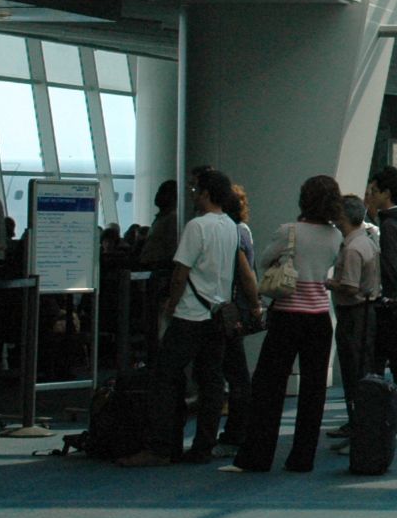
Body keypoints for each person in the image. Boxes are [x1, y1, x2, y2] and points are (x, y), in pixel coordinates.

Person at [122, 168, 261, 467]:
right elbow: (242, 272)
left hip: (190, 314)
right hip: (218, 315)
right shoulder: (231, 227)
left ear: (208, 193)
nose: (194, 194)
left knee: (165, 376)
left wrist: (171, 304)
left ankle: (161, 445)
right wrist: (255, 303)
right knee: (211, 381)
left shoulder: (196, 227)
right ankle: (203, 446)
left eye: (197, 190)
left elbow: (181, 272)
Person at [227, 175, 344, 473]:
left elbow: (264, 262)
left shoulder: (289, 231)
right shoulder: (335, 237)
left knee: (269, 387)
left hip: (288, 315)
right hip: (319, 318)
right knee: (314, 390)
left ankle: (257, 456)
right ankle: (302, 458)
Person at [365, 167, 397, 431]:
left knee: (377, 360)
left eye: (373, 191)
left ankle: (377, 413)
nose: (369, 195)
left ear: (386, 193)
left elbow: (388, 266)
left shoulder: (387, 225)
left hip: (389, 300)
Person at [327, 193, 380, 434]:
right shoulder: (368, 241)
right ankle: (363, 421)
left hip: (353, 313)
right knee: (362, 367)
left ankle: (357, 422)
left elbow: (349, 287)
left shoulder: (351, 248)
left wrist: (330, 284)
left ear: (344, 216)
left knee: (352, 370)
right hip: (367, 310)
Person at [215, 183, 256, 450]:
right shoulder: (242, 231)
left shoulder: (229, 232)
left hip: (227, 309)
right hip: (235, 308)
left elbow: (244, 273)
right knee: (236, 372)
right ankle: (237, 431)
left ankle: (236, 432)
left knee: (235, 373)